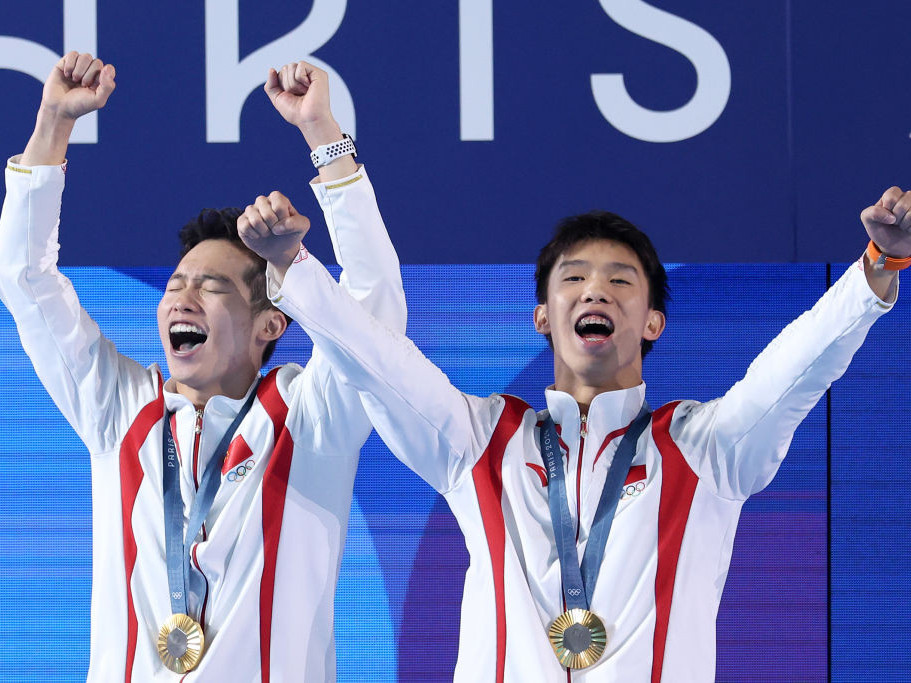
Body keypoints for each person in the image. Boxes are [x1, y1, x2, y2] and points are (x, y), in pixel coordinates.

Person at [238, 175, 910, 680]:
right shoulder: (480, 441)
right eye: (574, 278)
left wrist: (874, 269)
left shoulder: (704, 449)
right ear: (541, 317)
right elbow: (377, 361)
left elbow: (793, 370)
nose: (595, 291)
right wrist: (292, 271)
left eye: (621, 280)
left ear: (652, 322)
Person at [0, 53, 406, 681]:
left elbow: (375, 311)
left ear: (271, 324)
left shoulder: (312, 416)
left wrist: (323, 134)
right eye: (176, 283)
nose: (182, 298)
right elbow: (27, 279)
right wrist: (53, 122)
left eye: (212, 286)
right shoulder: (118, 408)